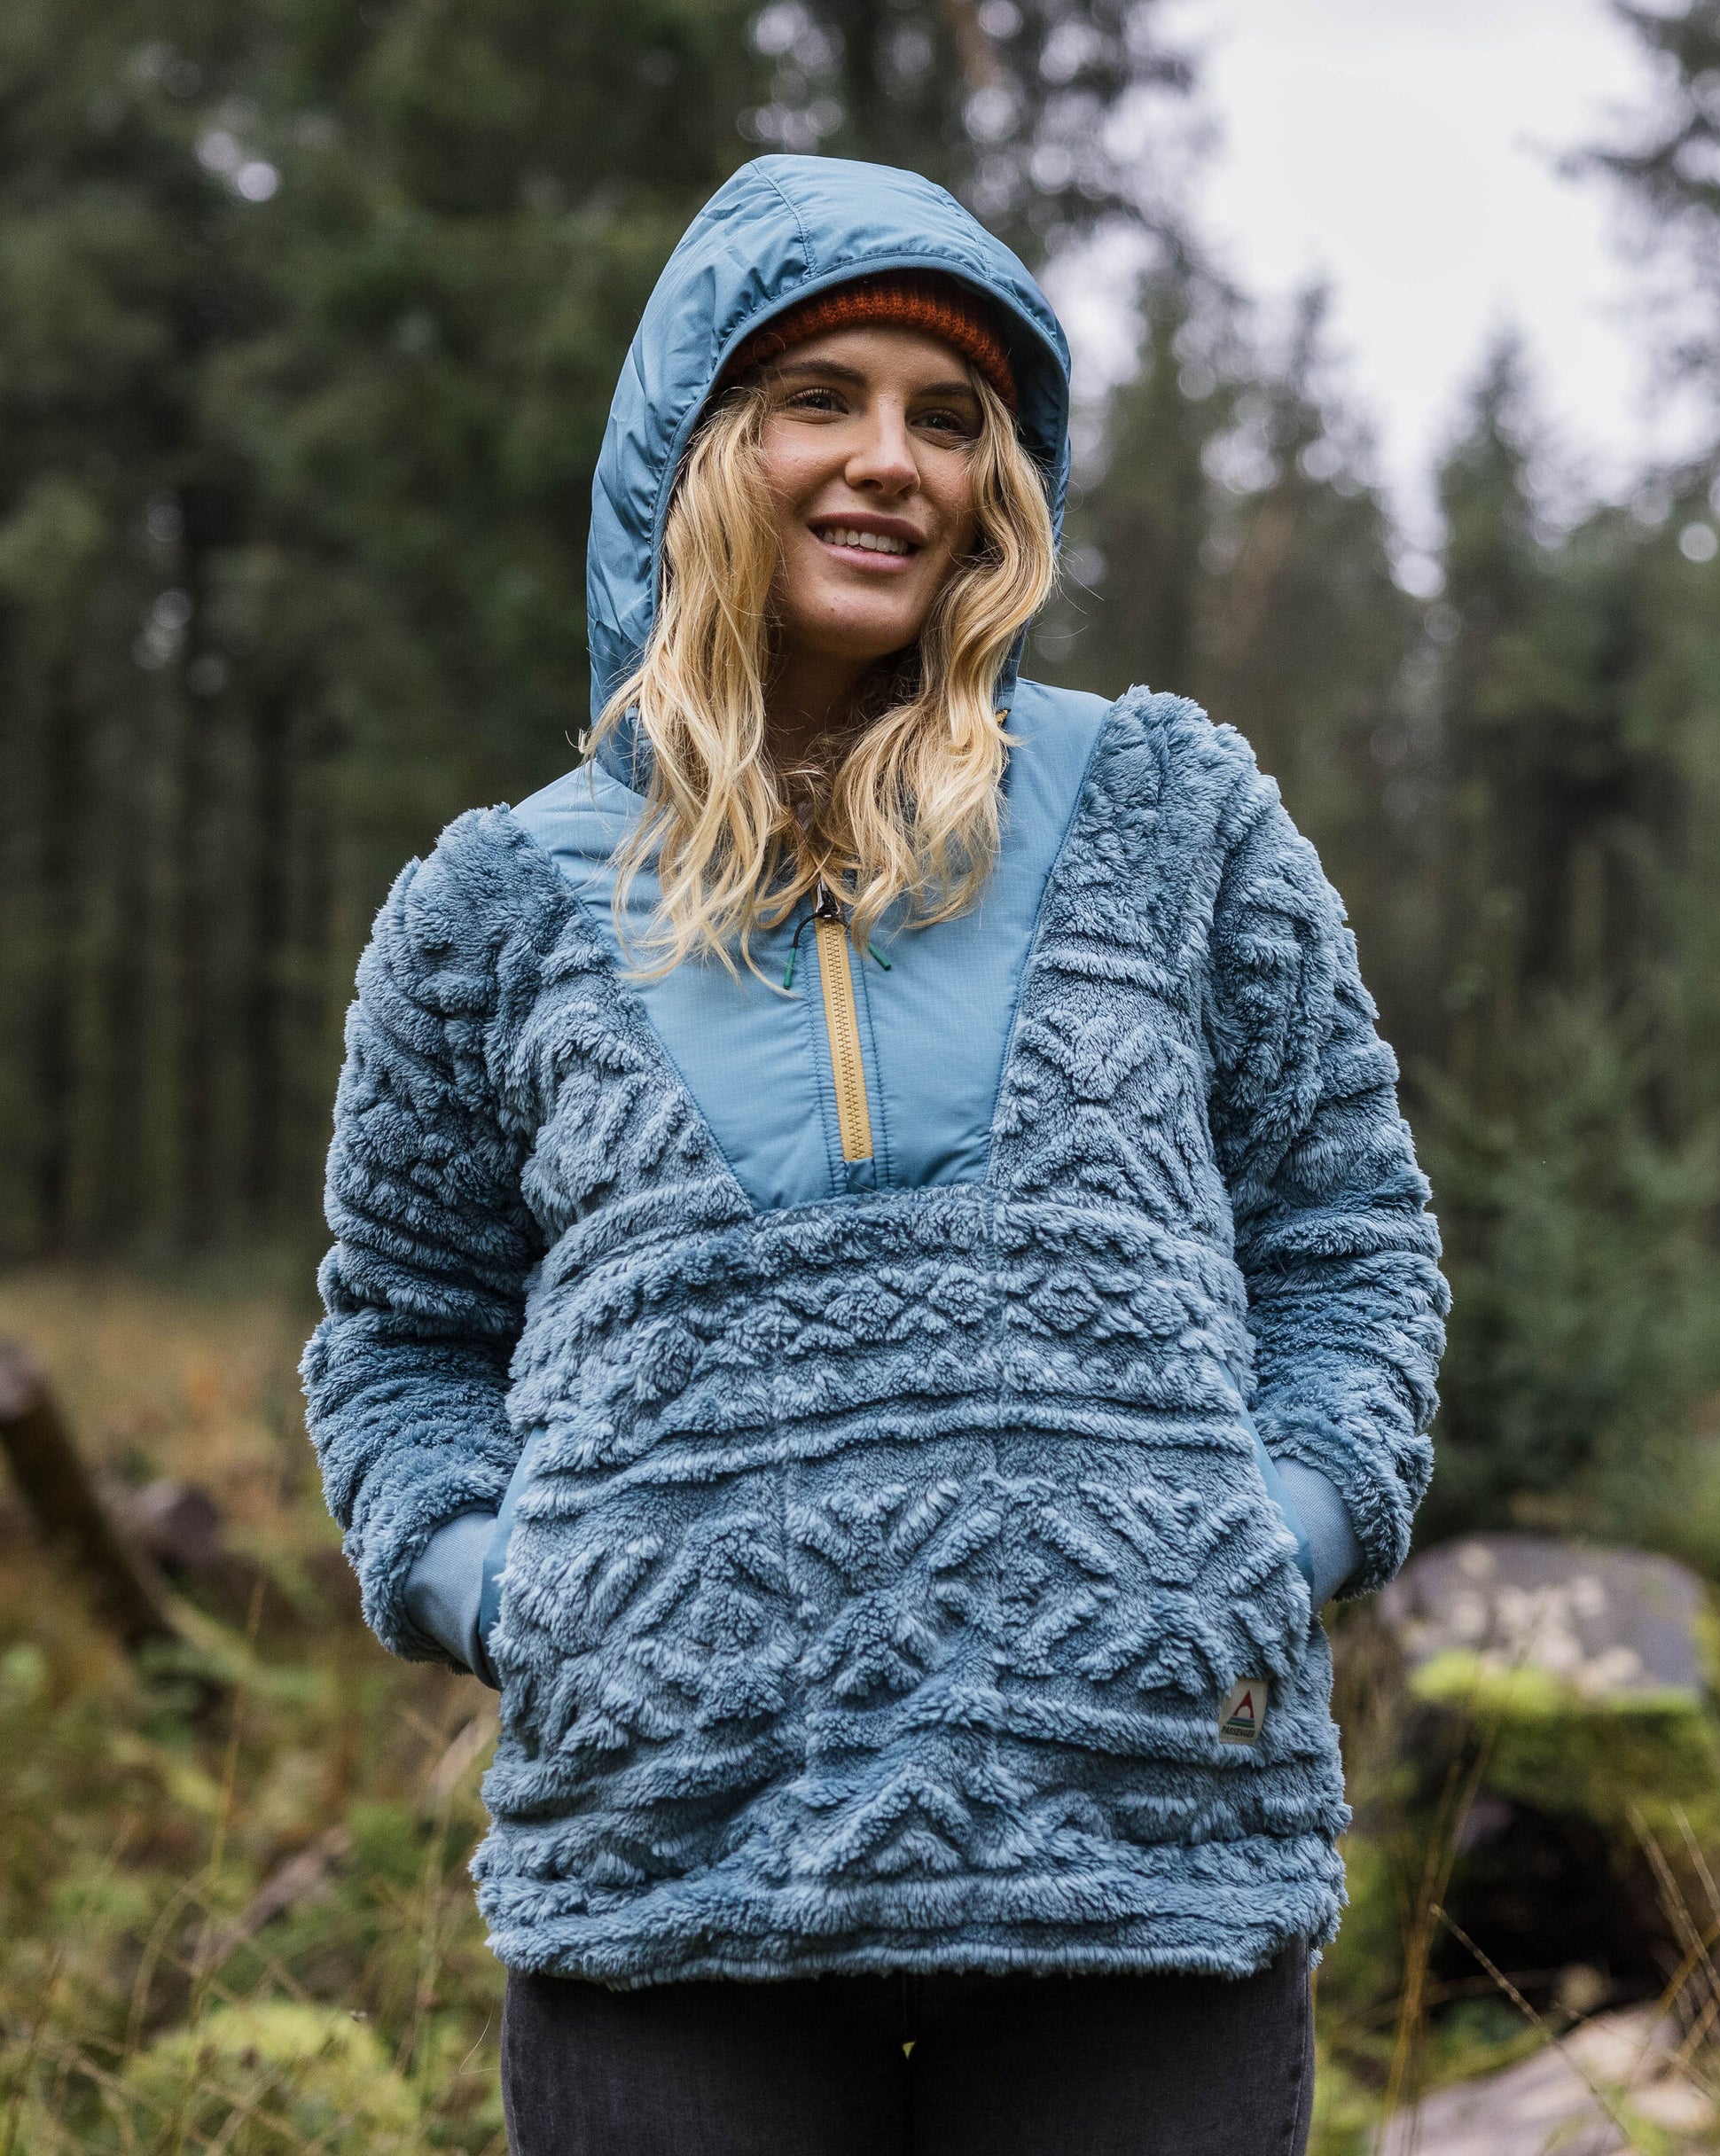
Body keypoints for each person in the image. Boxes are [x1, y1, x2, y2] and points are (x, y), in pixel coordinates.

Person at [303, 154, 1448, 2156]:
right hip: (670, 1875)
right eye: (816, 399)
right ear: (692, 452)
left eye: (947, 418)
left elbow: (1348, 1241)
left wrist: (1272, 1539)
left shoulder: (1167, 809)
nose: (889, 463)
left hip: (1141, 1853)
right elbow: (399, 1342)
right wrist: (512, 1596)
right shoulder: (492, 906)